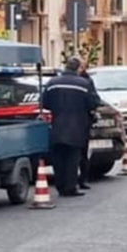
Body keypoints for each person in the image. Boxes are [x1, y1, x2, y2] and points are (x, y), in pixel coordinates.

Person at [42, 57, 99, 197]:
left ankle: (60, 185)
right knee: (73, 159)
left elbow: (45, 103)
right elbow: (93, 103)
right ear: (78, 68)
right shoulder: (84, 84)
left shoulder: (52, 83)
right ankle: (70, 187)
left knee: (59, 158)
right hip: (77, 126)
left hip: (57, 126)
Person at [77, 60, 101, 190]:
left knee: (82, 152)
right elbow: (94, 101)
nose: (81, 69)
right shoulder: (85, 82)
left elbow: (94, 100)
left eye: (82, 66)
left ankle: (82, 179)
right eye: (79, 66)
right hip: (82, 121)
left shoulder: (87, 81)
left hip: (82, 121)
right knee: (80, 152)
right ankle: (79, 180)